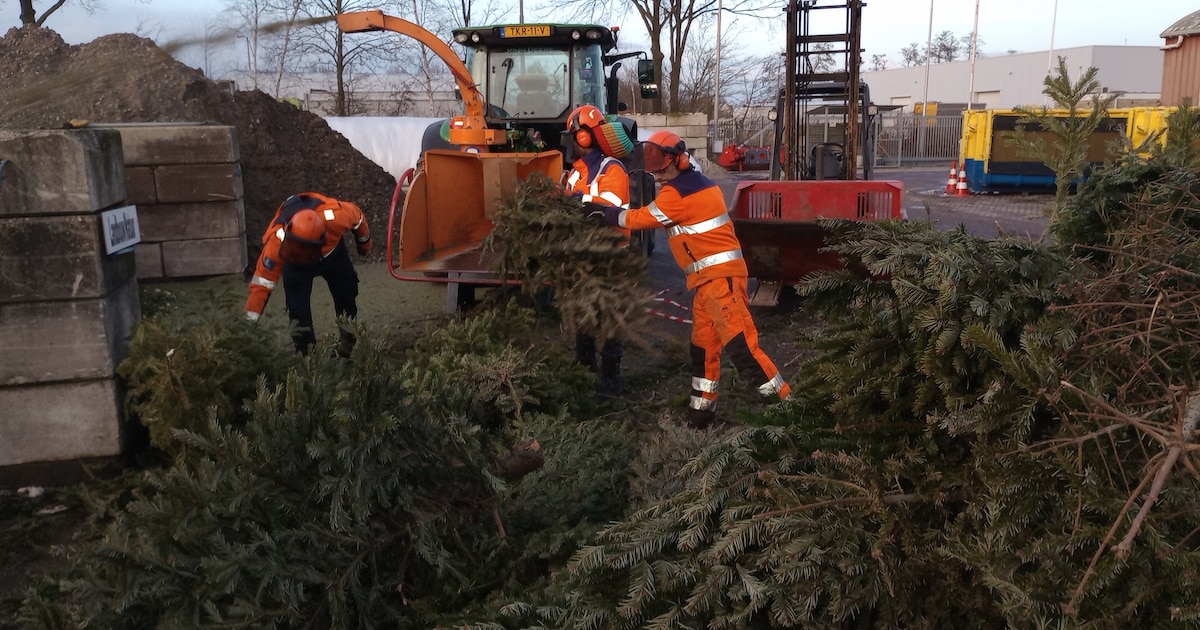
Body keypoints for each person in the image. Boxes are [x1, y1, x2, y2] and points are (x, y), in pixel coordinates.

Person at [602, 131, 791, 427]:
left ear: (677, 159)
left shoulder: (677, 194)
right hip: (708, 283)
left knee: (742, 348)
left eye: (661, 168)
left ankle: (788, 410)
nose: (658, 175)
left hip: (720, 281)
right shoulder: (699, 184)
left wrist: (607, 214)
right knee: (703, 350)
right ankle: (700, 413)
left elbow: (640, 219)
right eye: (654, 169)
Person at [245, 192, 372, 355]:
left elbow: (359, 218)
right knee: (297, 309)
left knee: (347, 293)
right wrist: (247, 325)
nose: (301, 253)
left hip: (332, 254)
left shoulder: (336, 217)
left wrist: (364, 245)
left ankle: (348, 340)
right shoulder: (277, 242)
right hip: (294, 265)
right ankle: (307, 355)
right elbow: (261, 284)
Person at [564, 104, 634, 396]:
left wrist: (575, 199)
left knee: (607, 317)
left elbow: (607, 206)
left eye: (575, 135)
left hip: (609, 256)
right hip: (582, 255)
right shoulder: (575, 172)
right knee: (583, 314)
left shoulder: (612, 169)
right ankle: (584, 368)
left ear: (584, 137)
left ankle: (610, 380)